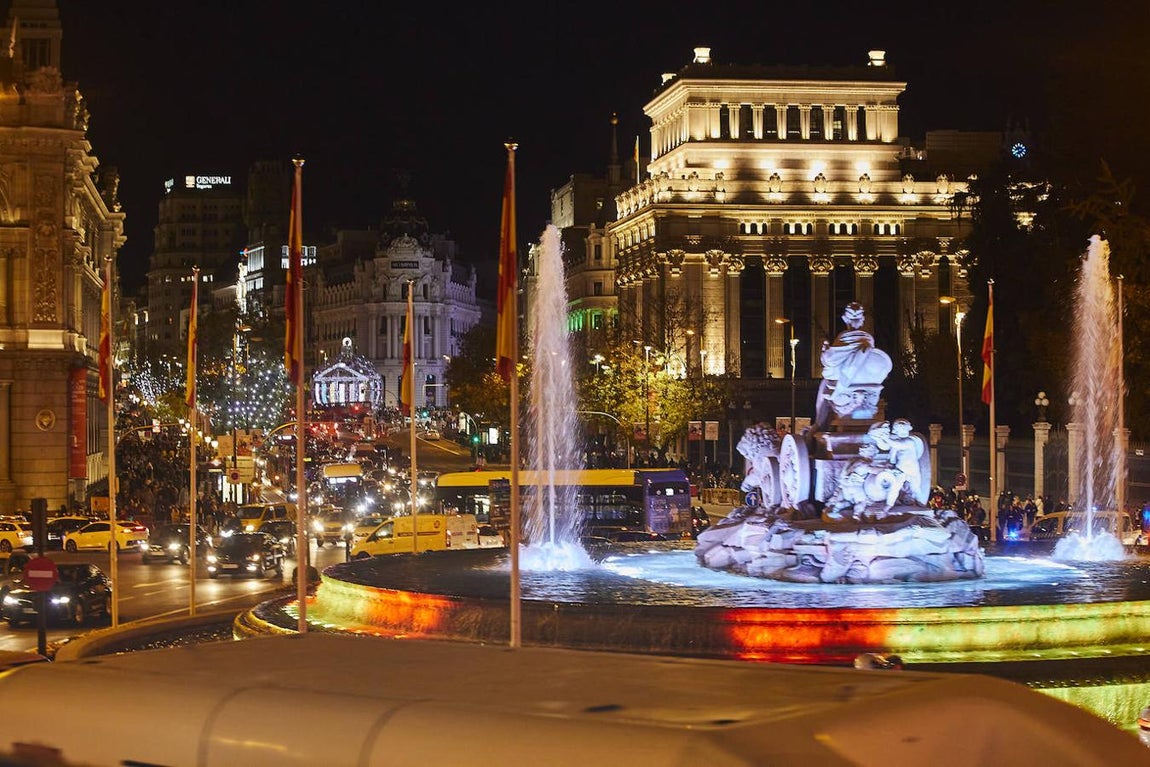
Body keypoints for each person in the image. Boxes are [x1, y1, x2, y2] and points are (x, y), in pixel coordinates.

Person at [816, 303, 892, 426]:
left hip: (843, 394)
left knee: (825, 384)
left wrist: (825, 352)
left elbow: (830, 362)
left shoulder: (843, 338)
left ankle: (818, 424)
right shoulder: (868, 340)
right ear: (862, 320)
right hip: (870, 395)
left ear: (845, 320)